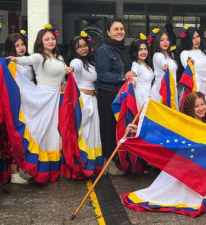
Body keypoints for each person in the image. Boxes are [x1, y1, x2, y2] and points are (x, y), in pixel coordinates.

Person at [121, 92, 206, 217]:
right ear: (190, 109)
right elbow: (161, 133)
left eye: (202, 104)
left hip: (204, 167)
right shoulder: (183, 124)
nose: (201, 108)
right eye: (196, 106)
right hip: (184, 165)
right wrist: (137, 129)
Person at [6, 24, 72, 183]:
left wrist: (66, 77)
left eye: (53, 38)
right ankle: (34, 168)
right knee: (39, 132)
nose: (51, 41)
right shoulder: (39, 57)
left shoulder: (60, 58)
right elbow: (25, 59)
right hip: (42, 98)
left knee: (54, 135)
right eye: (47, 39)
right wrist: (14, 59)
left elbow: (62, 79)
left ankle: (50, 170)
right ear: (40, 42)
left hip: (57, 98)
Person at [95, 19, 136, 175]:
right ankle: (109, 162)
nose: (120, 32)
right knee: (109, 128)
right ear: (108, 32)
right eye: (116, 29)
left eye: (122, 29)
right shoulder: (104, 50)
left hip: (121, 94)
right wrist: (123, 76)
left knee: (121, 128)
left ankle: (120, 160)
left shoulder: (123, 49)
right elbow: (102, 74)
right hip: (108, 94)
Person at [64, 31, 104, 178]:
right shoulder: (78, 62)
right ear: (74, 50)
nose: (83, 48)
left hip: (93, 100)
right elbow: (75, 65)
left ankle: (91, 167)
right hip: (83, 102)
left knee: (93, 134)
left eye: (84, 45)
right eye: (79, 47)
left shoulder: (90, 62)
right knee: (84, 134)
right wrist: (71, 69)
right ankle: (81, 167)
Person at [179, 27, 206, 104]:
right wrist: (190, 63)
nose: (197, 40)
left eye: (198, 37)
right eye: (193, 38)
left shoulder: (202, 52)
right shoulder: (185, 53)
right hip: (195, 87)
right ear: (188, 40)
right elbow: (188, 69)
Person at [151, 29, 179, 110]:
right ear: (157, 42)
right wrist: (164, 65)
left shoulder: (170, 55)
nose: (165, 42)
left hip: (172, 88)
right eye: (162, 40)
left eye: (167, 40)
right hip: (162, 89)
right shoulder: (157, 55)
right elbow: (162, 61)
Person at [129, 34, 154, 109]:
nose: (144, 52)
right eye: (140, 50)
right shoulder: (135, 65)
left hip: (149, 96)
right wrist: (132, 81)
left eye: (145, 49)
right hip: (140, 98)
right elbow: (133, 78)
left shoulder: (146, 64)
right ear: (134, 51)